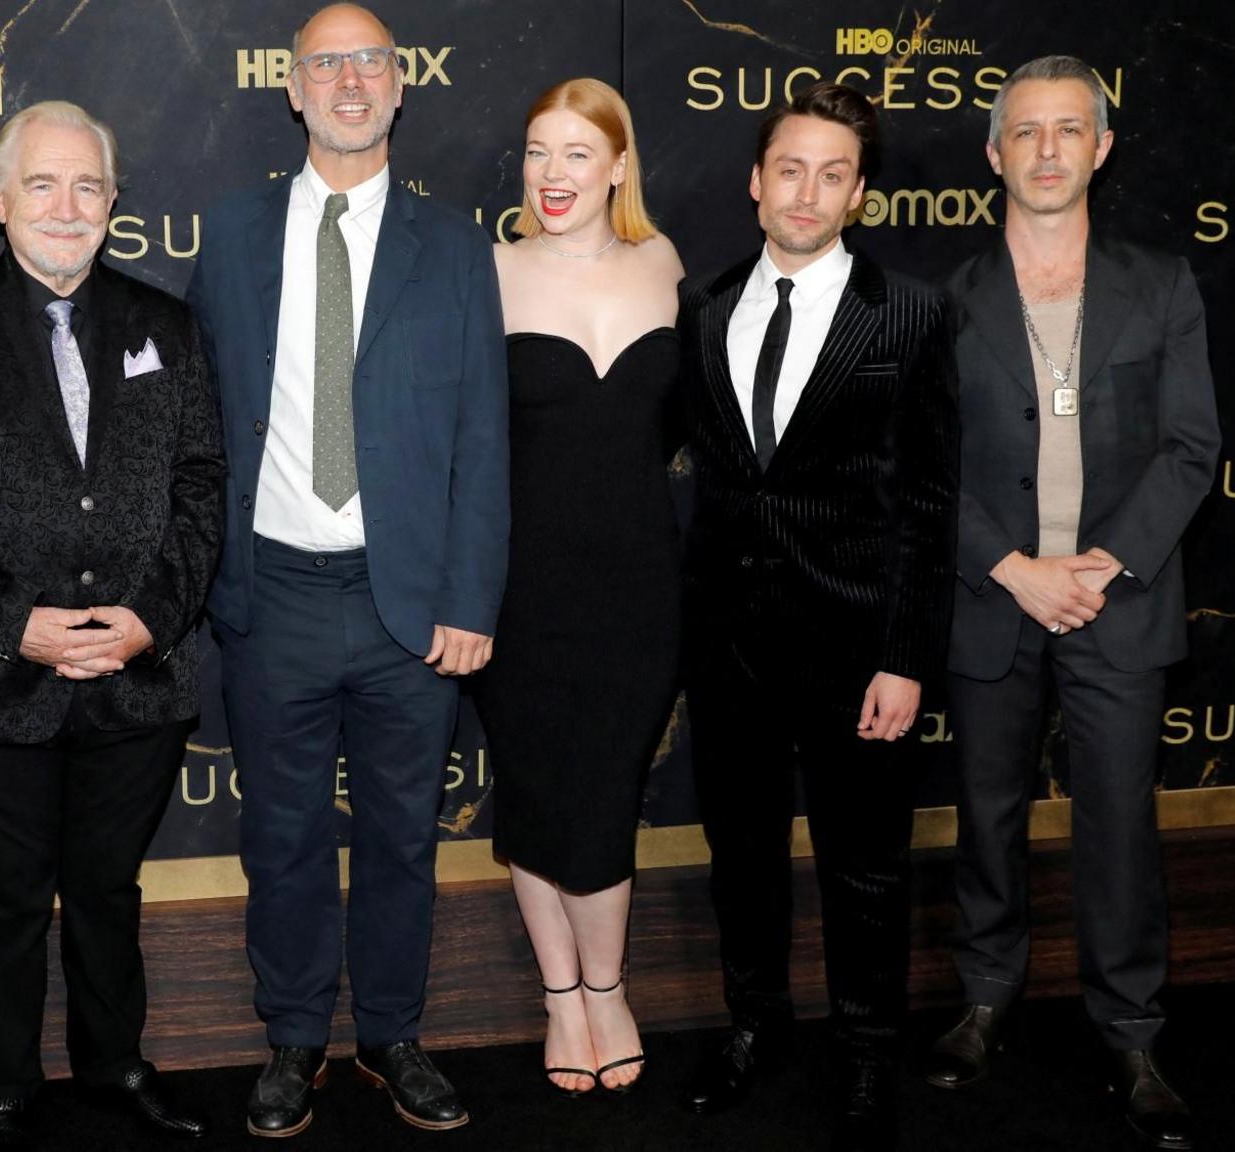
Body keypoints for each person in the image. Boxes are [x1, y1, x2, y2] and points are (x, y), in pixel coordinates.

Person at [185, 2, 510, 1137]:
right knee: (276, 838)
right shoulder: (229, 235)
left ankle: (390, 1034)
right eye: (326, 64)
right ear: (292, 88)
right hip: (268, 592)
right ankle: (289, 1041)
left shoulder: (456, 245)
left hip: (407, 605)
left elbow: (482, 436)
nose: (348, 82)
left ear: (399, 83)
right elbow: (195, 420)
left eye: (367, 61)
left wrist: (469, 599)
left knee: (400, 839)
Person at [0, 101, 225, 1152]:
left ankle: (116, 1064)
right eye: (42, 184)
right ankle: (6, 1077)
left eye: (87, 187)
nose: (65, 207)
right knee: (11, 893)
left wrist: (148, 621)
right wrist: (13, 626)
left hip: (136, 678)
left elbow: (202, 486)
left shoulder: (166, 326)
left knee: (108, 891)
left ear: (114, 203)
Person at [927, 55, 1218, 1152]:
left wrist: (1102, 564)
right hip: (993, 598)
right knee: (986, 818)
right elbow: (927, 469)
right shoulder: (944, 302)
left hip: (1116, 601)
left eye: (1067, 131)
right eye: (1024, 132)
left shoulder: (1159, 283)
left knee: (1118, 827)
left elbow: (1191, 449)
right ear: (993, 153)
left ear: (1099, 149)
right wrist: (1013, 569)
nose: (1045, 151)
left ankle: (1130, 1031)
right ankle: (984, 997)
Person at [676, 82, 959, 1152]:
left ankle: (862, 1057)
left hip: (856, 652)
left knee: (864, 867)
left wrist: (903, 658)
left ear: (856, 195)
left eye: (831, 173)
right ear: (756, 182)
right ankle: (753, 1027)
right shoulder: (702, 307)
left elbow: (929, 506)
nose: (806, 191)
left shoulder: (911, 314)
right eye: (788, 168)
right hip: (730, 649)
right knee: (738, 856)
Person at [470, 77, 684, 1098]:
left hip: (640, 587)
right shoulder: (489, 272)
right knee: (534, 790)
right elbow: (462, 446)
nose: (551, 176)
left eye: (573, 155)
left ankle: (609, 985)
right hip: (520, 590)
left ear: (617, 165)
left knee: (603, 796)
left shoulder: (665, 263)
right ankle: (563, 999)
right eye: (535, 153)